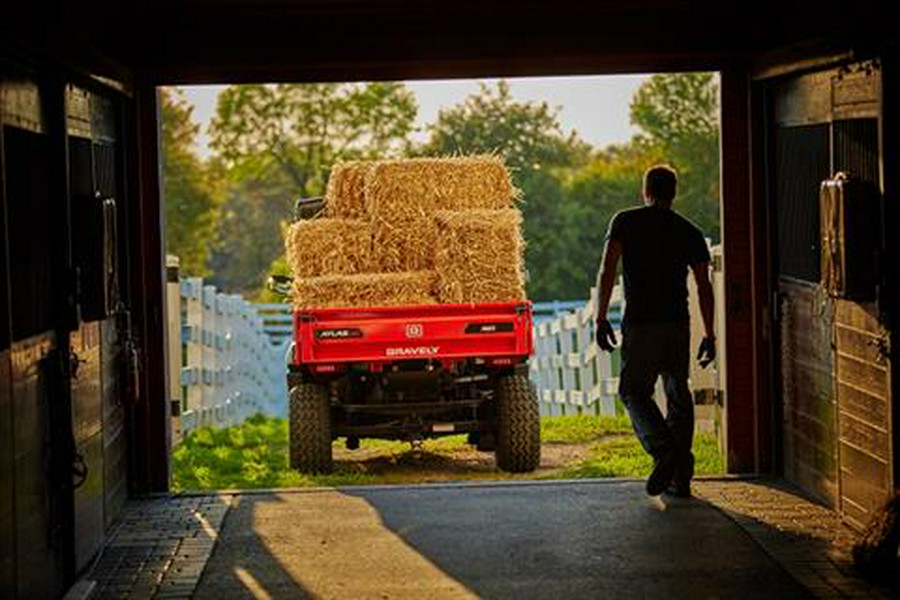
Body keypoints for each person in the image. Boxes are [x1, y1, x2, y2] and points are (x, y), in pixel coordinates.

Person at [594, 165, 716, 498]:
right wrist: (710, 334)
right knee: (677, 392)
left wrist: (600, 318)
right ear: (674, 192)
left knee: (634, 392)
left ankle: (664, 451)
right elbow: (704, 286)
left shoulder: (625, 221)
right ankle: (680, 477)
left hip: (641, 323)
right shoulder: (688, 231)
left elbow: (607, 269)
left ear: (645, 190)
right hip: (677, 323)